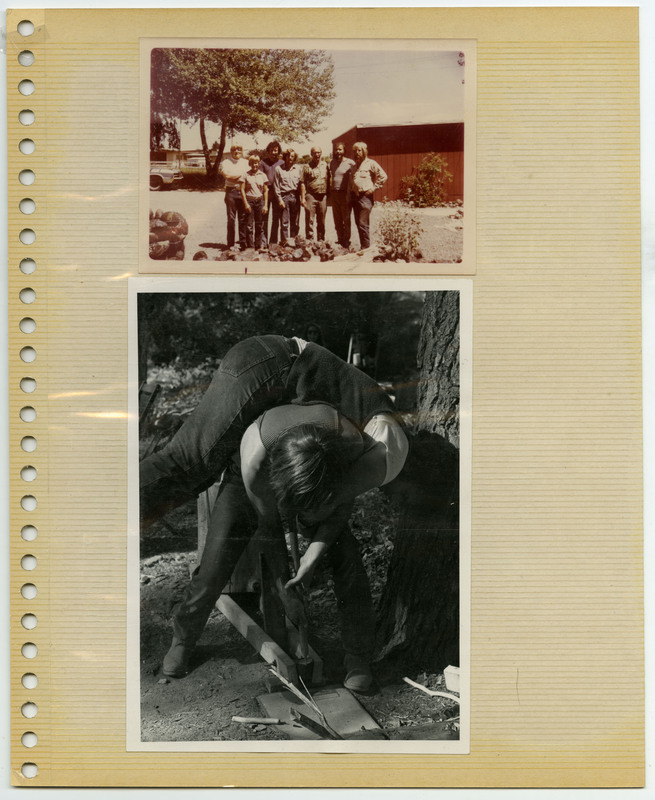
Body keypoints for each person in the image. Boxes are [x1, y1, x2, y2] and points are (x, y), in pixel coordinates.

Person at [348, 142, 387, 250]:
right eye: (355, 151)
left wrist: (373, 188)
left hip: (365, 198)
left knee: (362, 222)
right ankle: (363, 246)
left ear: (365, 151)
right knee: (358, 223)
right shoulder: (354, 166)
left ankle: (366, 248)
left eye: (359, 150)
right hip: (355, 197)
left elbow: (383, 176)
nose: (357, 153)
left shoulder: (371, 163)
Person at [219, 144, 249, 250]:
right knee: (231, 219)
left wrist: (237, 177)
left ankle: (243, 243)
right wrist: (242, 177)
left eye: (239, 149)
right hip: (230, 192)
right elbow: (227, 176)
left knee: (243, 219)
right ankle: (230, 244)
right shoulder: (226, 162)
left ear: (242, 151)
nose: (236, 151)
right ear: (231, 151)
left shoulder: (246, 163)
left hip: (243, 192)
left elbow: (249, 176)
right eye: (234, 149)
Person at [273, 149, 303, 244]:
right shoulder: (279, 169)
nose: (290, 158)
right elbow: (276, 186)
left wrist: (302, 198)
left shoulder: (298, 169)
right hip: (284, 197)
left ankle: (294, 241)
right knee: (284, 222)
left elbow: (301, 184)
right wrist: (279, 199)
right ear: (285, 157)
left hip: (295, 197)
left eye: (292, 156)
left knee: (295, 222)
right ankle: (285, 242)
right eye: (288, 156)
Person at [300, 147, 330, 241]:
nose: (317, 155)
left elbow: (329, 180)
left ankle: (321, 240)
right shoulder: (307, 167)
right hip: (311, 195)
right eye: (315, 153)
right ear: (311, 154)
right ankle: (310, 240)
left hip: (322, 196)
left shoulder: (325, 166)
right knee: (310, 219)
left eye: (319, 152)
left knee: (322, 220)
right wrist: (303, 198)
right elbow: (302, 182)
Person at [239, 154, 268, 249]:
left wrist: (265, 205)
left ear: (259, 163)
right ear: (249, 164)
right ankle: (250, 247)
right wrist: (246, 203)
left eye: (256, 163)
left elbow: (265, 190)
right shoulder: (245, 175)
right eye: (252, 163)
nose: (254, 165)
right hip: (249, 201)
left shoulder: (263, 175)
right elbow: (242, 189)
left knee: (259, 225)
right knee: (249, 226)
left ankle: (258, 246)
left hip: (259, 201)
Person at [329, 142, 355, 248]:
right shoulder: (332, 162)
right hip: (335, 194)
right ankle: (339, 239)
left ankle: (346, 241)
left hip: (345, 194)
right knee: (337, 219)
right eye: (337, 150)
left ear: (344, 150)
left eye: (340, 149)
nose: (338, 152)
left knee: (346, 218)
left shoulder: (350, 163)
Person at [259, 141, 283, 246]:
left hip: (277, 193)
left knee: (276, 218)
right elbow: (259, 177)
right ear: (268, 151)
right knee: (264, 218)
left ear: (278, 152)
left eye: (276, 150)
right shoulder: (263, 163)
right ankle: (263, 243)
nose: (274, 152)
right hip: (266, 193)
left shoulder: (282, 163)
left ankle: (273, 242)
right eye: (272, 150)